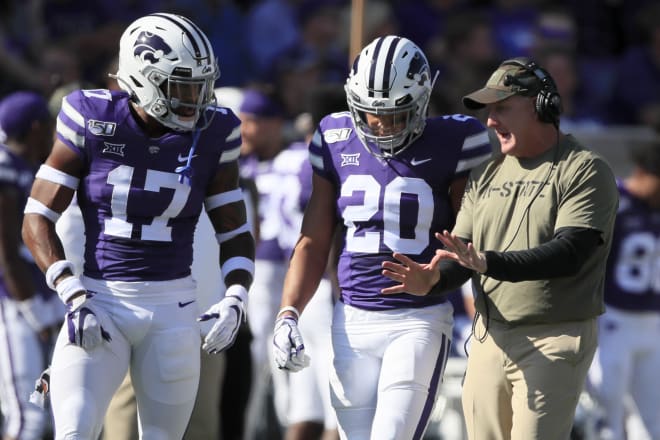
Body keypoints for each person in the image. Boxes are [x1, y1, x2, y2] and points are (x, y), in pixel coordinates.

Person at [21, 12, 255, 440]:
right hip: (99, 300)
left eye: (202, 85)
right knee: (73, 431)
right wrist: (70, 292)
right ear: (143, 78)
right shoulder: (91, 118)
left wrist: (236, 295)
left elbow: (234, 231)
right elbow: (37, 216)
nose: (197, 98)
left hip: (175, 308)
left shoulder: (216, 132)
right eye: (184, 85)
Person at [379, 57, 619, 440]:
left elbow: (570, 253)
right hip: (489, 334)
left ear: (543, 106)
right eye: (489, 111)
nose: (491, 121)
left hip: (553, 335)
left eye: (502, 108)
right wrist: (433, 279)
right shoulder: (485, 173)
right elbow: (463, 260)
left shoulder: (584, 169)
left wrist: (487, 262)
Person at [272, 35, 493, 439]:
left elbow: (469, 239)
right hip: (350, 317)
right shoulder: (334, 136)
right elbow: (314, 239)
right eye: (371, 113)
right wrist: (288, 312)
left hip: (418, 318)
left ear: (423, 99)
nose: (381, 124)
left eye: (396, 113)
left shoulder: (457, 139)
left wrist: (442, 281)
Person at [0, 91, 62, 440]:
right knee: (28, 418)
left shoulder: (28, 166)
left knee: (50, 415)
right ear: (37, 127)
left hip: (36, 297)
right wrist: (32, 309)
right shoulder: (6, 167)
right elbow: (5, 251)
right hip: (12, 301)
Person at [588, 142, 660, 440]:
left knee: (652, 422)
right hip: (612, 323)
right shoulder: (613, 201)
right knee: (608, 415)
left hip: (653, 324)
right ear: (644, 173)